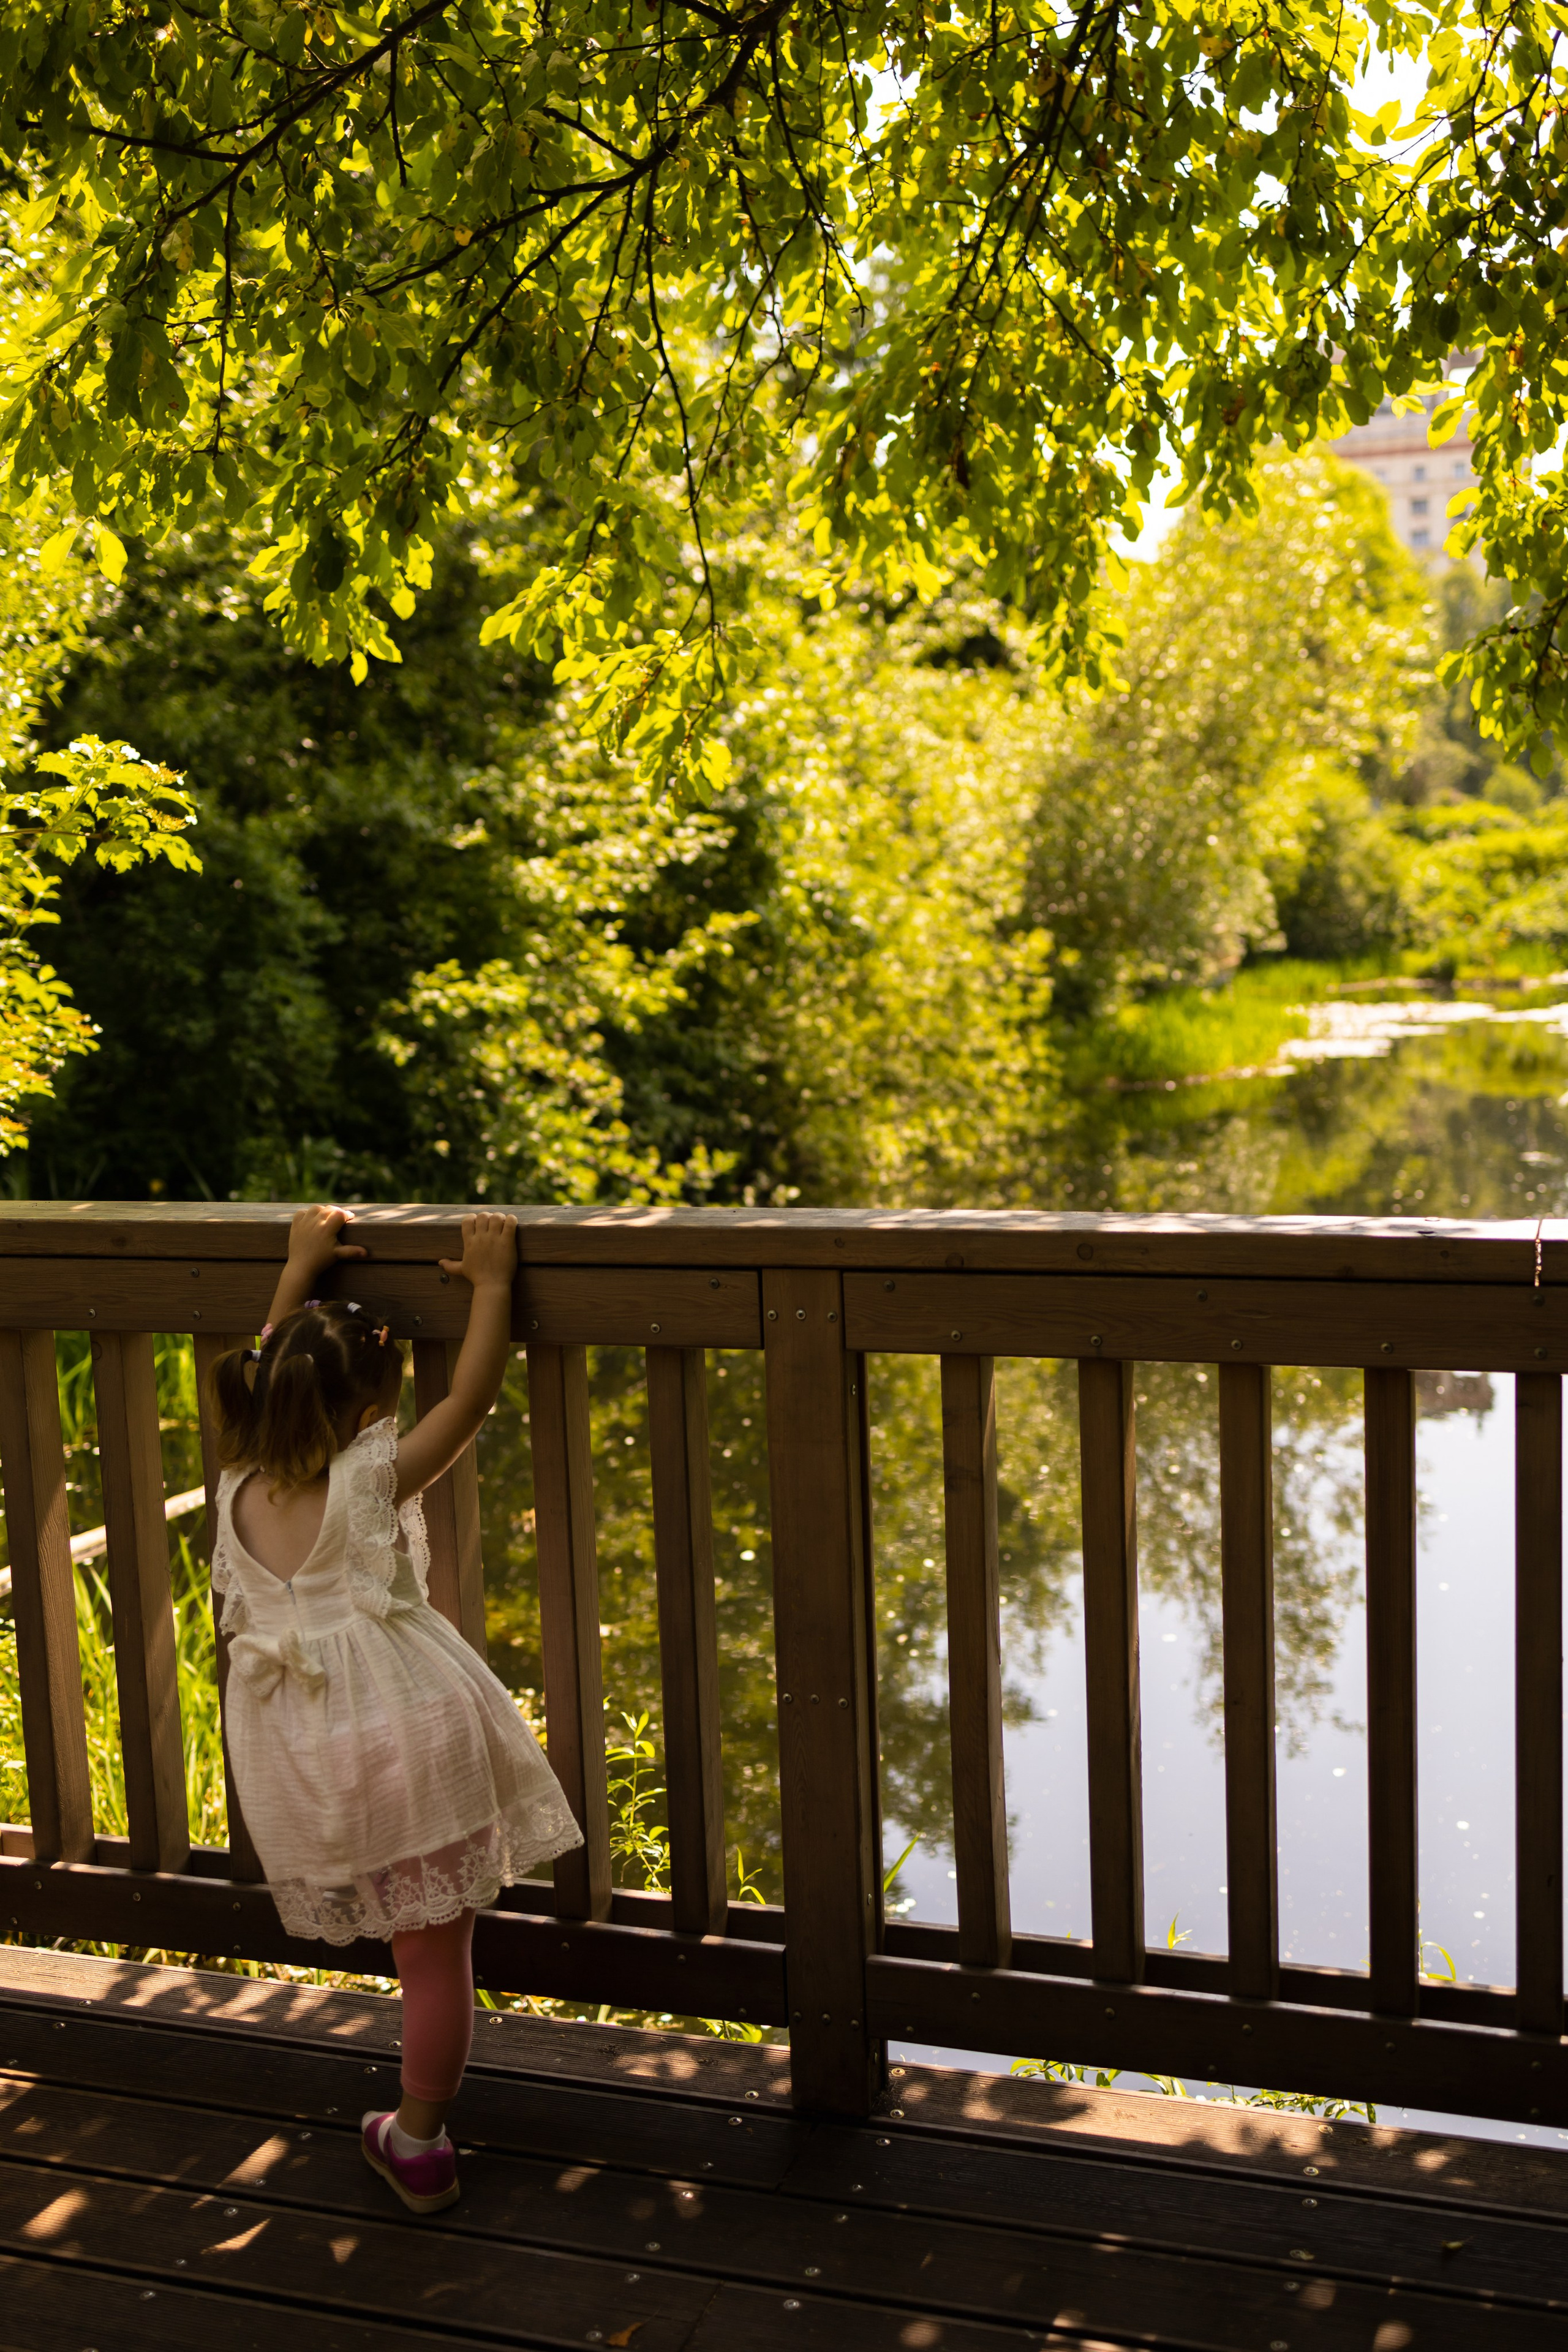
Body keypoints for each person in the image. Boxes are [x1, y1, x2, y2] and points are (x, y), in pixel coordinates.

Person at [206, 1204, 582, 2216]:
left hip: (299, 1747)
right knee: (435, 1958)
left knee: (411, 1950)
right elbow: (472, 1399)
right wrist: (494, 1286)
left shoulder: (235, 1476)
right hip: (407, 1727)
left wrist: (296, 1269)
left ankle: (415, 2142)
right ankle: (417, 2138)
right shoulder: (368, 1480)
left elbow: (267, 1359)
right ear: (370, 1411)